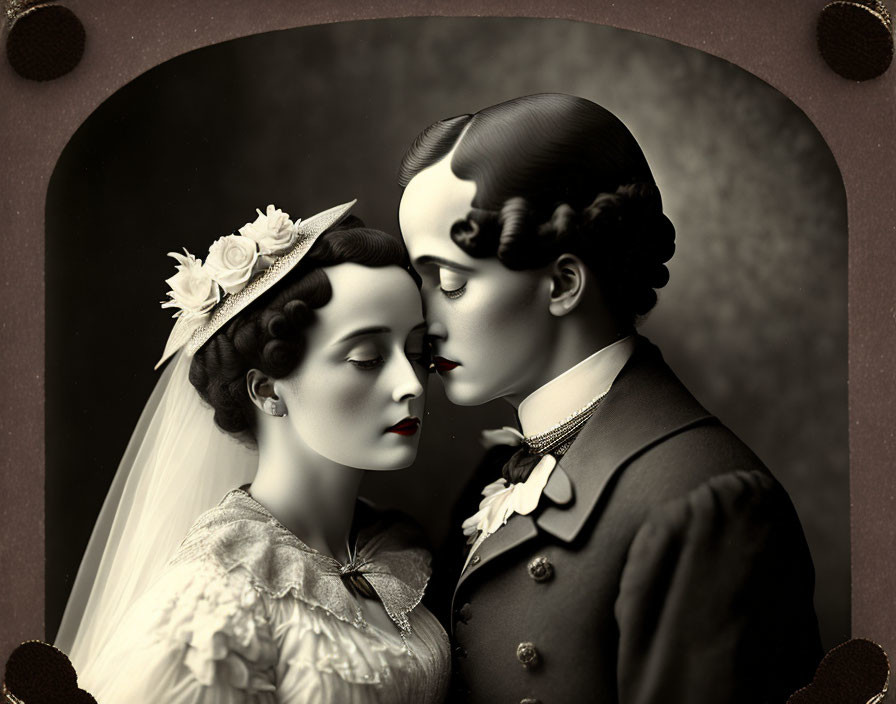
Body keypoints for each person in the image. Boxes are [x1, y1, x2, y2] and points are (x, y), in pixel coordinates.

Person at [397, 94, 823, 703]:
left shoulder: (704, 503)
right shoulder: (501, 467)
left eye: (450, 282)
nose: (423, 317)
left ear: (563, 283)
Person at [55, 202, 451, 703]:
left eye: (417, 353)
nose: (410, 383)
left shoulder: (393, 550)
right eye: (367, 358)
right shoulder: (214, 599)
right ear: (266, 391)